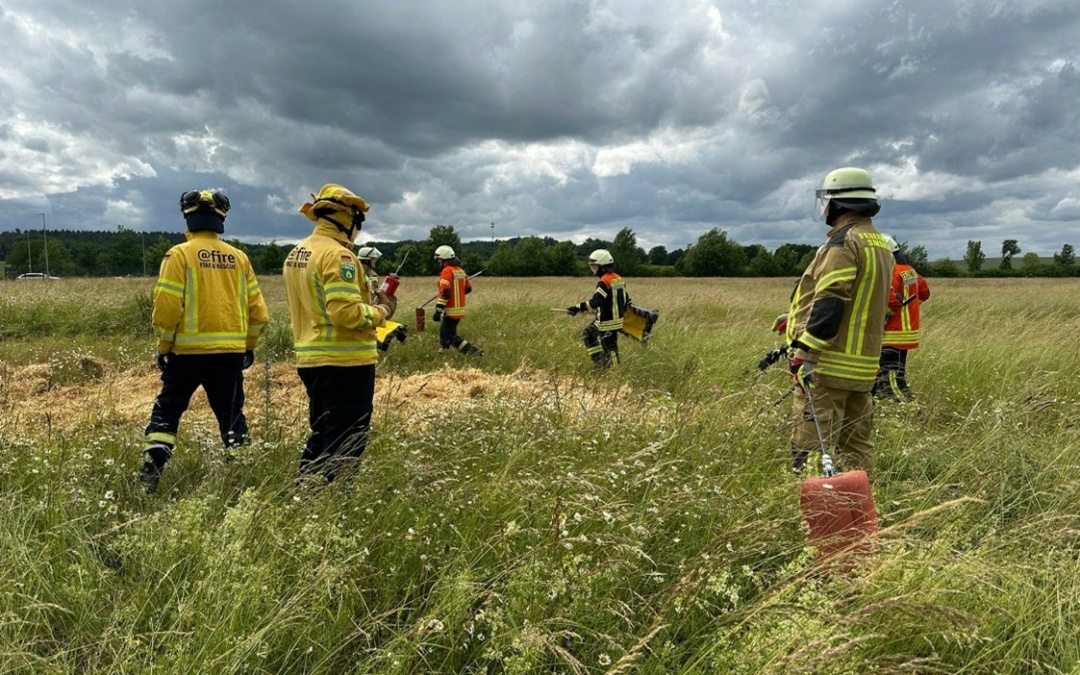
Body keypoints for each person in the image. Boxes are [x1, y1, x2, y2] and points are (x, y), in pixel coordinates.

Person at [138, 190, 269, 493]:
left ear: (188, 216)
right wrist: (248, 345)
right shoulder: (240, 258)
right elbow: (259, 313)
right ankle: (241, 482)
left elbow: (167, 309)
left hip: (186, 354)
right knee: (232, 416)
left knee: (168, 412)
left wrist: (164, 347)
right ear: (221, 217)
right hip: (230, 355)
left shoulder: (178, 255)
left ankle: (150, 477)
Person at [283, 184, 397, 483]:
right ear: (347, 218)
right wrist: (383, 311)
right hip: (346, 362)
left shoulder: (298, 253)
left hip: (312, 361)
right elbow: (346, 313)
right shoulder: (339, 257)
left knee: (322, 433)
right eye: (357, 222)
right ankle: (335, 503)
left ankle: (304, 495)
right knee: (348, 439)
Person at [785, 167, 892, 479]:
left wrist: (805, 353)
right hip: (861, 368)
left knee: (812, 447)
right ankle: (858, 513)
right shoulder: (879, 244)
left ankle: (819, 515)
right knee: (856, 448)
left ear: (836, 203)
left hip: (828, 368)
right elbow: (861, 301)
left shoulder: (843, 243)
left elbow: (831, 302)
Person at [874, 235, 931, 401]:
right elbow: (925, 293)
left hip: (891, 334)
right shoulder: (909, 270)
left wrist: (883, 315)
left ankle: (911, 411)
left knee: (891, 381)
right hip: (906, 333)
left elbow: (891, 302)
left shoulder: (891, 271)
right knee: (889, 379)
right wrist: (909, 308)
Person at [567, 249, 629, 367]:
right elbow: (625, 299)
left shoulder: (604, 281)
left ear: (602, 266)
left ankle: (614, 371)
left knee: (610, 348)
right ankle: (600, 363)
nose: (593, 269)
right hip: (614, 320)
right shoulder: (618, 278)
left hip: (607, 322)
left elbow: (595, 302)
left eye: (594, 266)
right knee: (588, 334)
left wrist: (576, 308)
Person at [432, 245, 482, 356]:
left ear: (444, 259)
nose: (438, 262)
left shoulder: (446, 271)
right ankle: (443, 352)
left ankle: (474, 352)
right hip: (459, 309)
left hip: (451, 309)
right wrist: (457, 289)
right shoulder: (460, 271)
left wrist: (438, 311)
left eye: (439, 260)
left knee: (450, 336)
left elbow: (445, 293)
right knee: (443, 331)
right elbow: (468, 289)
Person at [358, 246, 407, 351]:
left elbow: (375, 291)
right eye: (374, 259)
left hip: (372, 310)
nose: (376, 261)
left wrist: (390, 282)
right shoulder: (357, 273)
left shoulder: (373, 274)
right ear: (367, 260)